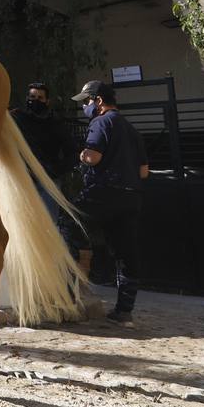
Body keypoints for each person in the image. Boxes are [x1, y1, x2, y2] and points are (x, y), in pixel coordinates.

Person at [66, 79, 148, 325]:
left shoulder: (101, 122)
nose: (85, 107)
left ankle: (67, 294)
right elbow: (144, 171)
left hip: (103, 191)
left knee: (67, 221)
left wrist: (81, 154)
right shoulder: (132, 130)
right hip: (131, 196)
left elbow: (92, 157)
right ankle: (124, 312)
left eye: (87, 102)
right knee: (126, 253)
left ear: (98, 101)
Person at [9, 81, 76, 218]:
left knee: (49, 221)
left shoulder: (56, 123)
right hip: (23, 178)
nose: (35, 101)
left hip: (48, 181)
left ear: (47, 101)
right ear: (27, 98)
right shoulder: (17, 118)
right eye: (32, 97)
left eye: (40, 98)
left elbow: (72, 152)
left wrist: (55, 171)